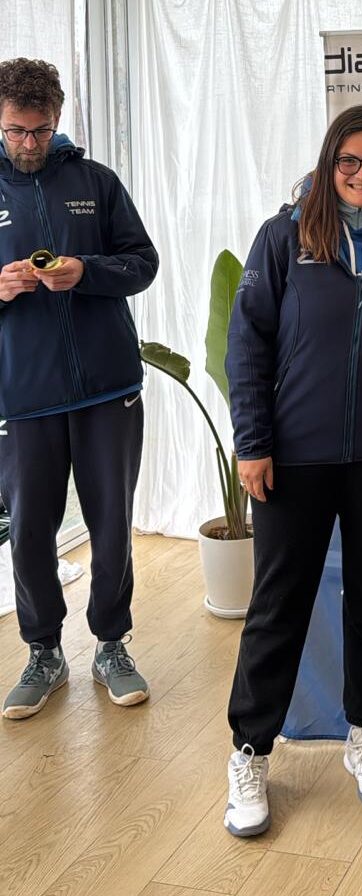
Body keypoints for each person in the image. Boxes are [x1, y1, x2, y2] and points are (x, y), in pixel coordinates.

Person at [223, 105, 362, 837]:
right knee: (277, 605)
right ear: (328, 164)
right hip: (294, 457)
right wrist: (253, 442)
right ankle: (251, 751)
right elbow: (248, 343)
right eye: (349, 161)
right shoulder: (284, 237)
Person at [0, 58, 158, 720]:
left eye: (40, 130)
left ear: (58, 118)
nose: (28, 143)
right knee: (30, 531)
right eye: (16, 130)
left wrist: (85, 271)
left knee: (112, 523)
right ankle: (43, 652)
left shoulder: (97, 182)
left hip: (107, 388)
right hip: (23, 396)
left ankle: (111, 645)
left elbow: (142, 263)